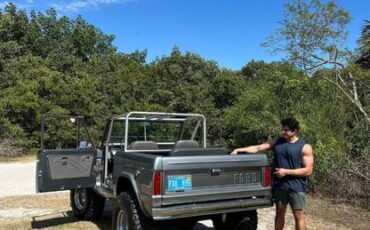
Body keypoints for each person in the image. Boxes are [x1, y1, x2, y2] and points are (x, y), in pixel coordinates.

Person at [231, 117, 314, 230]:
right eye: (282, 129)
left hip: (297, 186)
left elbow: (308, 170)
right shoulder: (277, 141)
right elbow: (258, 147)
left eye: (286, 130)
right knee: (279, 214)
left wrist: (286, 172)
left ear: (294, 131)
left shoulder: (304, 147)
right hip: (280, 186)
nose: (283, 132)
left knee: (298, 215)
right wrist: (239, 150)